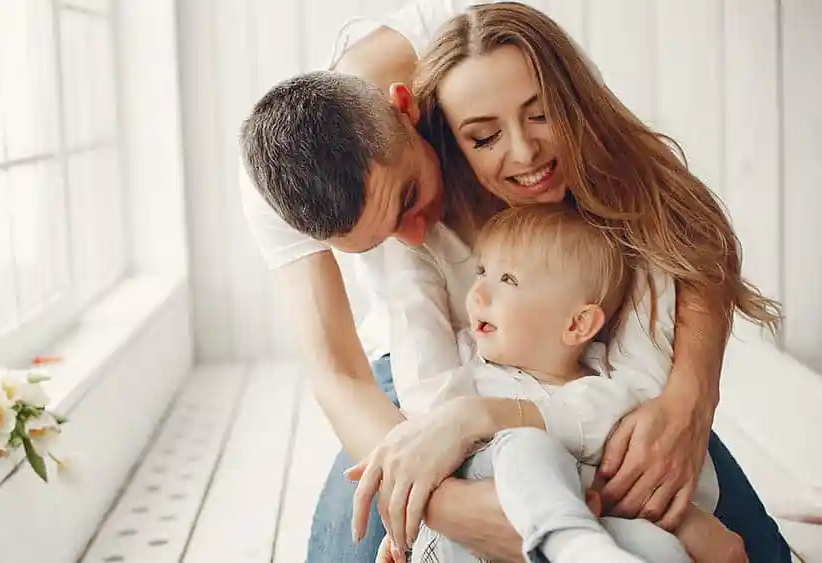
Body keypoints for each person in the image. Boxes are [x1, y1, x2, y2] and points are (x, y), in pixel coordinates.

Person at [238, 2, 789, 562]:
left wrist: (688, 398)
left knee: (741, 545)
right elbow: (339, 374)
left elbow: (678, 225)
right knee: (350, 549)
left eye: (407, 198)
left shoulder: (497, 60)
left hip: (570, 360)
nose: (412, 237)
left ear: (407, 109)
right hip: (426, 370)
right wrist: (446, 505)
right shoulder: (277, 176)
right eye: (378, 242)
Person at [374, 204, 730, 563]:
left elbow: (656, 311)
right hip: (475, 539)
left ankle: (580, 546)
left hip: (591, 532)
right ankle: (572, 545)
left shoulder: (609, 393)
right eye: (482, 271)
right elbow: (425, 441)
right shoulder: (465, 375)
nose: (477, 293)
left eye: (508, 280)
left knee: (661, 549)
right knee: (525, 446)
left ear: (578, 325)